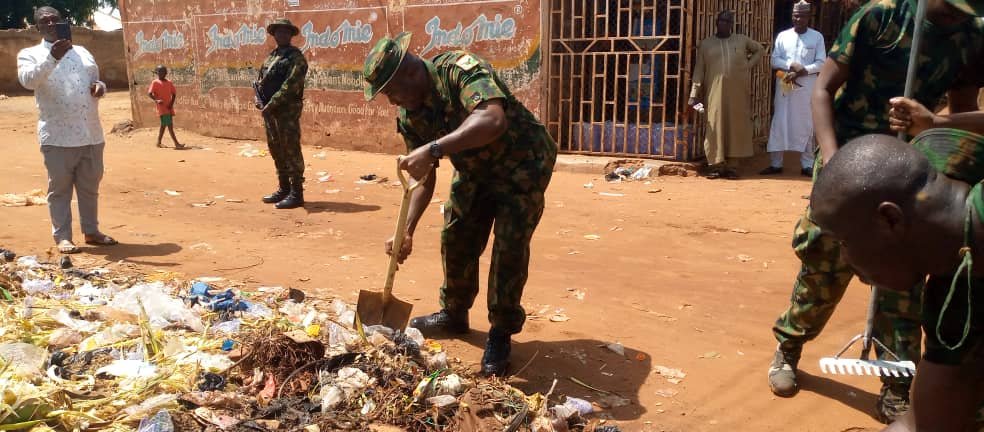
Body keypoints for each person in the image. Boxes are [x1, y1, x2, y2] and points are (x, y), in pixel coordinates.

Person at [769, 0, 984, 422]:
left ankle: (897, 384)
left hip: (909, 171)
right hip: (848, 164)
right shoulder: (879, 16)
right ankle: (788, 346)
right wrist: (830, 161)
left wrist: (933, 128)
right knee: (825, 267)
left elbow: (961, 111)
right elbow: (823, 89)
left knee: (903, 288)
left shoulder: (973, 34)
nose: (958, 15)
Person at [362, 32, 556, 377]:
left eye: (391, 92)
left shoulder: (459, 70)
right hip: (475, 170)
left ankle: (501, 330)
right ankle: (454, 313)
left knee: (509, 246)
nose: (391, 101)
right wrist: (406, 230)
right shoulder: (411, 116)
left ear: (409, 73)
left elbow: (492, 119)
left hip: (523, 162)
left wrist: (434, 148)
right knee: (456, 234)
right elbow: (423, 176)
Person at [810, 130, 984, 431]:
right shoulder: (952, 296)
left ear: (889, 219)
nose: (844, 259)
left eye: (844, 241)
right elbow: (926, 423)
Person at [17, 6, 118, 254]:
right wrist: (52, 57)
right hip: (58, 135)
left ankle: (91, 231)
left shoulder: (82, 51)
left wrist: (100, 88)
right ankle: (63, 237)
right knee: (59, 189)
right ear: (37, 27)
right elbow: (28, 81)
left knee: (89, 187)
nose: (52, 24)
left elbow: (97, 79)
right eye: (45, 21)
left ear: (63, 22)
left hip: (91, 133)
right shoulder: (29, 54)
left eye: (55, 20)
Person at [688, 9, 765, 179]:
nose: (724, 23)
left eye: (727, 21)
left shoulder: (742, 40)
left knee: (735, 127)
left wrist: (747, 65)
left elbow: (760, 50)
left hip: (738, 94)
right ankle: (716, 166)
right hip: (713, 94)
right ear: (716, 23)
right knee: (715, 126)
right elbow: (699, 70)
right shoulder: (706, 44)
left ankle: (732, 167)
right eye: (721, 20)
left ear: (732, 25)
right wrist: (694, 93)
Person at [760, 0, 825, 177]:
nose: (798, 18)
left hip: (806, 87)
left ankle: (807, 165)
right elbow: (774, 60)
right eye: (795, 15)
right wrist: (791, 65)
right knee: (780, 121)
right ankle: (776, 164)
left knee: (806, 123)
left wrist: (803, 71)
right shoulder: (783, 36)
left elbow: (821, 63)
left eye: (802, 15)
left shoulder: (817, 37)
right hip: (785, 85)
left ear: (809, 17)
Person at [254, 18, 308, 210]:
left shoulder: (296, 58)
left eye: (286, 32)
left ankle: (296, 193)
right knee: (276, 148)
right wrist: (259, 100)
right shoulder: (271, 57)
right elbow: (261, 80)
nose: (282, 35)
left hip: (286, 111)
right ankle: (284, 188)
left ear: (291, 35)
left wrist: (272, 103)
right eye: (279, 32)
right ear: (274, 35)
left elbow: (291, 85)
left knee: (290, 149)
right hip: (270, 112)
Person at [147, 65, 183, 149]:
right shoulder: (155, 82)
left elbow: (174, 94)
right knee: (170, 125)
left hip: (169, 107)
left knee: (163, 125)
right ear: (157, 73)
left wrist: (171, 104)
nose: (161, 73)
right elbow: (149, 93)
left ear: (166, 73)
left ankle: (158, 142)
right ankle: (176, 144)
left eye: (163, 72)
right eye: (159, 72)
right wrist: (156, 100)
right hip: (162, 107)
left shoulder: (169, 82)